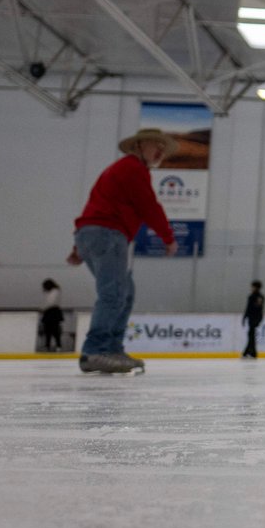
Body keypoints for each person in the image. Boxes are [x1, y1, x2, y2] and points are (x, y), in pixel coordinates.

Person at [66, 128, 178, 374]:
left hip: (94, 234)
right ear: (138, 146)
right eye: (154, 144)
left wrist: (79, 247)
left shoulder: (121, 170)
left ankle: (112, 349)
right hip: (107, 233)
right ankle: (96, 350)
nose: (160, 150)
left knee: (124, 293)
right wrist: (168, 238)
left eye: (163, 146)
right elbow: (149, 205)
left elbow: (95, 205)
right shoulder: (132, 169)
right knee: (114, 294)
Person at [241, 281, 265, 359]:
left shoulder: (258, 297)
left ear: (256, 287)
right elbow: (248, 308)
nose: (251, 288)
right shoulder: (253, 296)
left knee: (251, 335)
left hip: (255, 318)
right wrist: (245, 317)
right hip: (252, 317)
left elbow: (256, 308)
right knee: (251, 335)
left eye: (253, 287)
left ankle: (250, 352)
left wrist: (246, 317)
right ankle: (250, 352)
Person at [39, 279, 64, 352]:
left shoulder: (55, 291)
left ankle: (58, 345)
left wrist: (43, 308)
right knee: (48, 330)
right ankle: (48, 345)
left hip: (53, 311)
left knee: (54, 330)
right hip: (51, 311)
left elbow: (51, 302)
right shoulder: (52, 291)